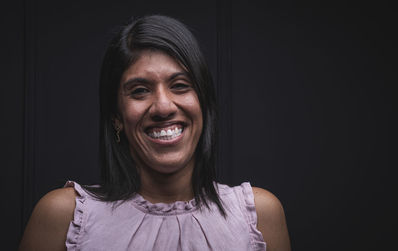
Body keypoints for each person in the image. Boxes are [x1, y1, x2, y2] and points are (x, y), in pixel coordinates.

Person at [19, 15, 291, 251]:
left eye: (181, 85)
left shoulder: (259, 216)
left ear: (203, 103)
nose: (163, 106)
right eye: (140, 91)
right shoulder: (62, 217)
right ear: (117, 118)